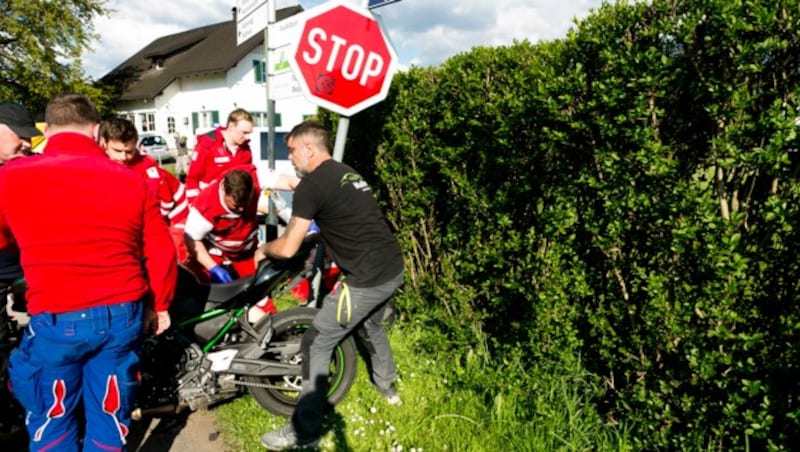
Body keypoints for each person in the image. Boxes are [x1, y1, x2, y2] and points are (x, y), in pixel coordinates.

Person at [0, 94, 178, 451]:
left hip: (56, 315)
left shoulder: (11, 178)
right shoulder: (133, 181)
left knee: (52, 416)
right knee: (111, 414)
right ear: (96, 131)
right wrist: (159, 305)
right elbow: (161, 251)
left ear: (46, 130)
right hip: (121, 317)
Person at [256, 121, 404, 450]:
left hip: (366, 279)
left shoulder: (311, 185)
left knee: (316, 343)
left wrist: (263, 249)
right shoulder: (347, 172)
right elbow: (349, 218)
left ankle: (304, 432)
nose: (290, 158)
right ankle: (388, 389)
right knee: (371, 326)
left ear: (309, 148)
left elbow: (289, 247)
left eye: (292, 150)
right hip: (392, 268)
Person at [99, 117, 189, 260]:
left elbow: (165, 203)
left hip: (170, 220)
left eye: (129, 151)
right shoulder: (96, 165)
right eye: (117, 150)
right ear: (104, 143)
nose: (124, 157)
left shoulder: (148, 168)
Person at [184, 166, 262, 284]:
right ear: (225, 192)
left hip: (246, 252)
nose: (241, 209)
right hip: (216, 251)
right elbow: (191, 239)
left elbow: (285, 180)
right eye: (236, 206)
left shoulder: (253, 179)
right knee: (202, 290)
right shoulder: (206, 206)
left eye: (245, 204)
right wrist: (213, 268)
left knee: (257, 293)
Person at [185, 108, 254, 203]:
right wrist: (194, 205)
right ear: (231, 126)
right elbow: (192, 179)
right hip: (209, 205)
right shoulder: (207, 145)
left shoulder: (246, 150)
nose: (247, 137)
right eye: (244, 132)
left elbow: (248, 178)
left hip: (236, 207)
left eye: (249, 133)